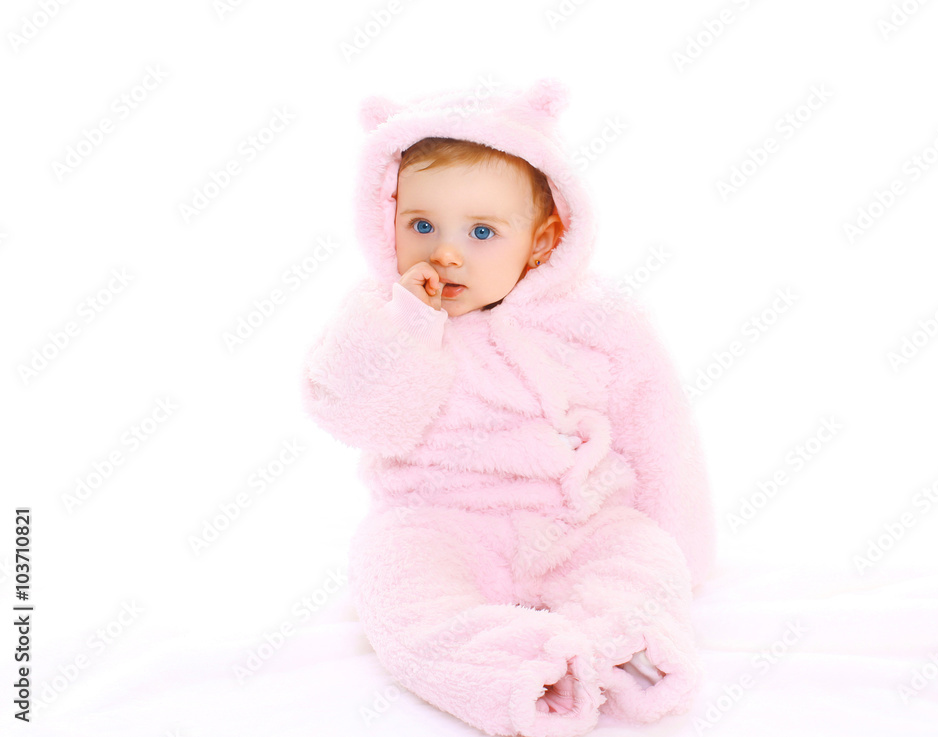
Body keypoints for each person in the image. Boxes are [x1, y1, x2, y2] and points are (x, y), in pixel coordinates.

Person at [301, 78, 716, 737]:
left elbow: (657, 430)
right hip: (436, 521)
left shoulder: (598, 320)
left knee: (641, 558)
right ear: (388, 221)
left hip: (574, 518)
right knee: (395, 590)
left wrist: (681, 543)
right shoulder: (379, 318)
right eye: (421, 225)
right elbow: (354, 417)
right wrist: (409, 325)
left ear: (544, 239)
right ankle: (524, 672)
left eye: (482, 231)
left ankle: (621, 642)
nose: (445, 252)